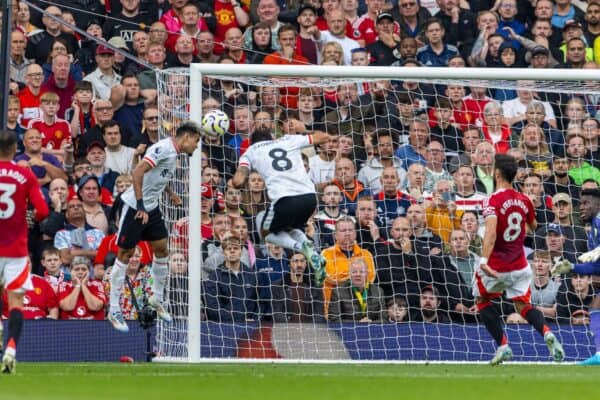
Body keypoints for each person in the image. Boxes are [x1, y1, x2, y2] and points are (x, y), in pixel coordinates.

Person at [107, 121, 202, 332]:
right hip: (134, 206)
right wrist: (140, 205)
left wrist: (170, 193)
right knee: (125, 254)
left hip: (151, 207)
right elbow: (138, 172)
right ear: (186, 137)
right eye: (196, 141)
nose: (196, 146)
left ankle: (156, 299)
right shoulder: (163, 149)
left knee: (162, 249)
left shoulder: (173, 153)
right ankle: (113, 309)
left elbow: (156, 176)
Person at [476, 153, 564, 365]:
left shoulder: (492, 200)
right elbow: (534, 228)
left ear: (497, 173)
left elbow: (491, 233)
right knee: (522, 306)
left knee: (482, 301)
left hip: (497, 265)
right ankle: (547, 333)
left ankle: (504, 345)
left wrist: (483, 261)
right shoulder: (524, 199)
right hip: (521, 265)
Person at [232, 128, 333, 284]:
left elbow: (238, 181)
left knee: (265, 232)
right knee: (288, 227)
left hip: (284, 200)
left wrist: (239, 177)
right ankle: (312, 251)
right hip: (309, 199)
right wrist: (303, 129)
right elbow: (324, 136)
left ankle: (301, 248)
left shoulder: (250, 151)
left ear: (252, 142)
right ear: (272, 137)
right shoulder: (288, 139)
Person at [0, 130, 49, 374]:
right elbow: (43, 210)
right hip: (16, 249)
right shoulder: (24, 174)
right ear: (14, 148)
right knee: (15, 301)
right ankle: (10, 349)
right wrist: (30, 217)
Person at [552, 188, 600, 365]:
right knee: (596, 307)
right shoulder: (593, 229)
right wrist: (572, 267)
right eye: (580, 203)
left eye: (586, 203)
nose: (581, 207)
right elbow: (596, 266)